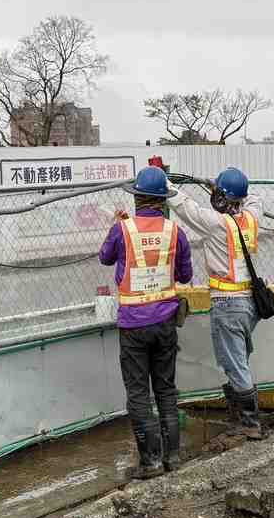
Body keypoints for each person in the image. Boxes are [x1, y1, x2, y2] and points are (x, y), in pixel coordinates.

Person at [99, 165, 194, 477]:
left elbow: (105, 257)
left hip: (133, 325)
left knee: (139, 393)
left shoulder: (122, 230)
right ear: (163, 200)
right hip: (165, 322)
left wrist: (117, 226)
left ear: (137, 197)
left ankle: (150, 462)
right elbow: (185, 275)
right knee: (166, 389)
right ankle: (173, 457)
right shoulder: (175, 232)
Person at [166, 166, 264, 438]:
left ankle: (249, 423)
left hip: (228, 304)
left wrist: (164, 183)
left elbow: (184, 206)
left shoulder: (215, 224)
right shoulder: (252, 218)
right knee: (238, 358)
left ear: (221, 198)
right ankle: (240, 416)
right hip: (249, 305)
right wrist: (222, 188)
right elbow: (255, 198)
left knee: (235, 364)